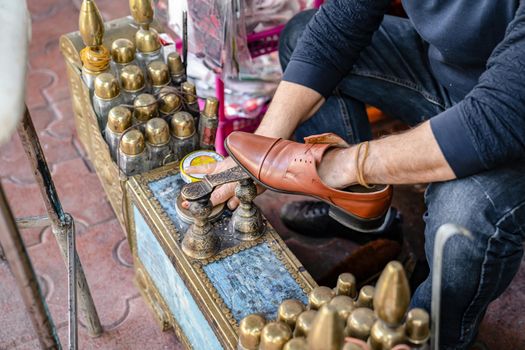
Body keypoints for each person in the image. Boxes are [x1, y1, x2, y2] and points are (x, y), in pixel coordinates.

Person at [187, 1, 525, 348]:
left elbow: (501, 115)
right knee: (302, 36)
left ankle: (438, 335)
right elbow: (338, 24)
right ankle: (365, 217)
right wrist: (262, 148)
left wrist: (339, 166)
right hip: (457, 80)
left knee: (462, 215)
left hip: (514, 121)